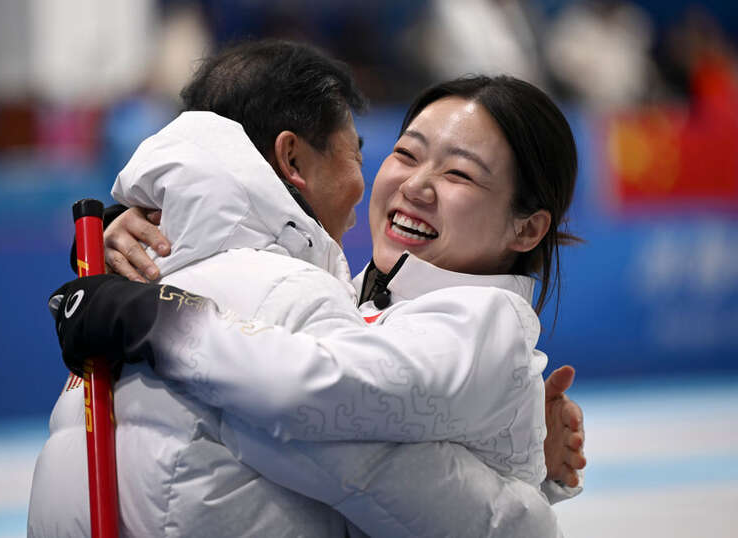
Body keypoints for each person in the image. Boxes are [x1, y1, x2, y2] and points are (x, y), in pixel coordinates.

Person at [34, 40, 584, 537]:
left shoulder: (486, 323)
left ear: (527, 228)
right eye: (405, 154)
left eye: (459, 174)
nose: (415, 185)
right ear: (292, 158)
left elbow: (324, 402)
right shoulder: (315, 293)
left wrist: (156, 311)